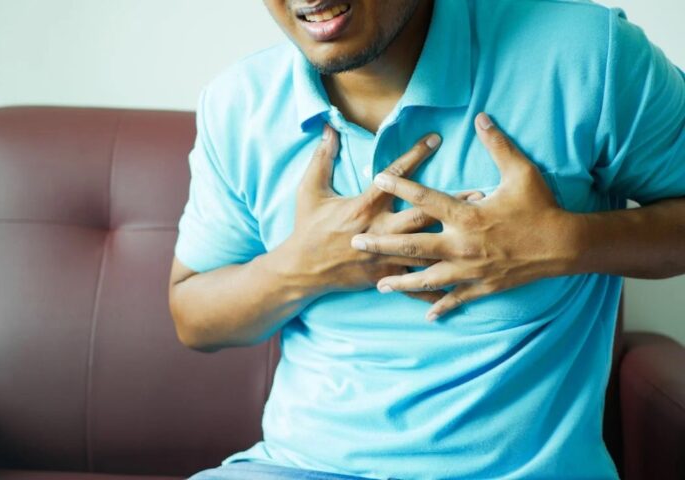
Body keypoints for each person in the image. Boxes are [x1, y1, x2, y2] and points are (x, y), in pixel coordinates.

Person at [168, 0, 685, 478]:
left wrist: (567, 244)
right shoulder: (236, 103)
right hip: (294, 467)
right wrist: (299, 267)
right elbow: (193, 316)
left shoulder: (587, 52)